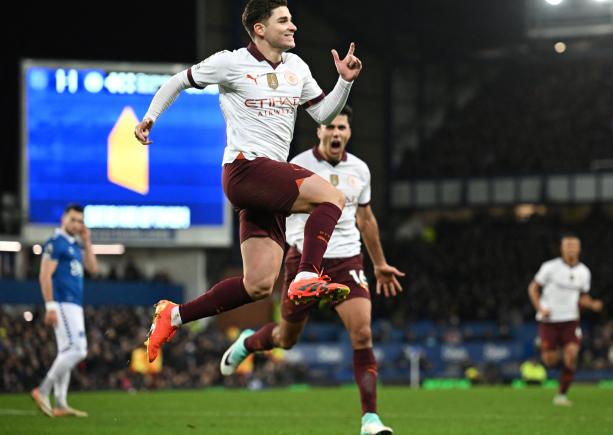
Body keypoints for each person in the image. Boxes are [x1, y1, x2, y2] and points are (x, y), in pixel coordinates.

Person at [133, 0, 363, 363]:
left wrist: (344, 83)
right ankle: (307, 275)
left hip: (268, 183)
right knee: (332, 197)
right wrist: (149, 118)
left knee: (257, 286)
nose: (293, 27)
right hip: (246, 169)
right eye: (284, 21)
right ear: (260, 28)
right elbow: (179, 81)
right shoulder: (231, 62)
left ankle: (174, 315)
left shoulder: (297, 67)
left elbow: (322, 113)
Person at [219, 105, 403, 435]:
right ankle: (249, 342)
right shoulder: (297, 165)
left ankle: (370, 420)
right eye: (330, 127)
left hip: (347, 260)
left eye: (342, 128)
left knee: (362, 334)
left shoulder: (360, 170)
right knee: (285, 339)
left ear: (349, 132)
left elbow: (366, 219)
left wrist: (379, 263)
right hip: (304, 261)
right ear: (319, 131)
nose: (336, 133)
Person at [31, 204, 98, 417]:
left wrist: (87, 242)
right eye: (73, 219)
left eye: (80, 221)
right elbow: (44, 275)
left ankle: (60, 403)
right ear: (63, 219)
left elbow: (93, 269)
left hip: (74, 303)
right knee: (78, 350)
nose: (77, 224)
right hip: (62, 303)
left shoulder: (74, 245)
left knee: (65, 352)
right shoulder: (56, 242)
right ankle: (43, 390)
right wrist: (50, 305)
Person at [527, 234, 603, 406]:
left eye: (573, 245)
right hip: (549, 321)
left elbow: (582, 297)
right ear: (561, 248)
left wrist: (592, 304)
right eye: (567, 245)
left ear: (579, 249)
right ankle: (552, 351)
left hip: (570, 320)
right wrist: (540, 308)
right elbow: (532, 288)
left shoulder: (584, 272)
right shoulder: (549, 267)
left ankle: (561, 395)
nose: (570, 248)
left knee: (571, 356)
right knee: (550, 361)